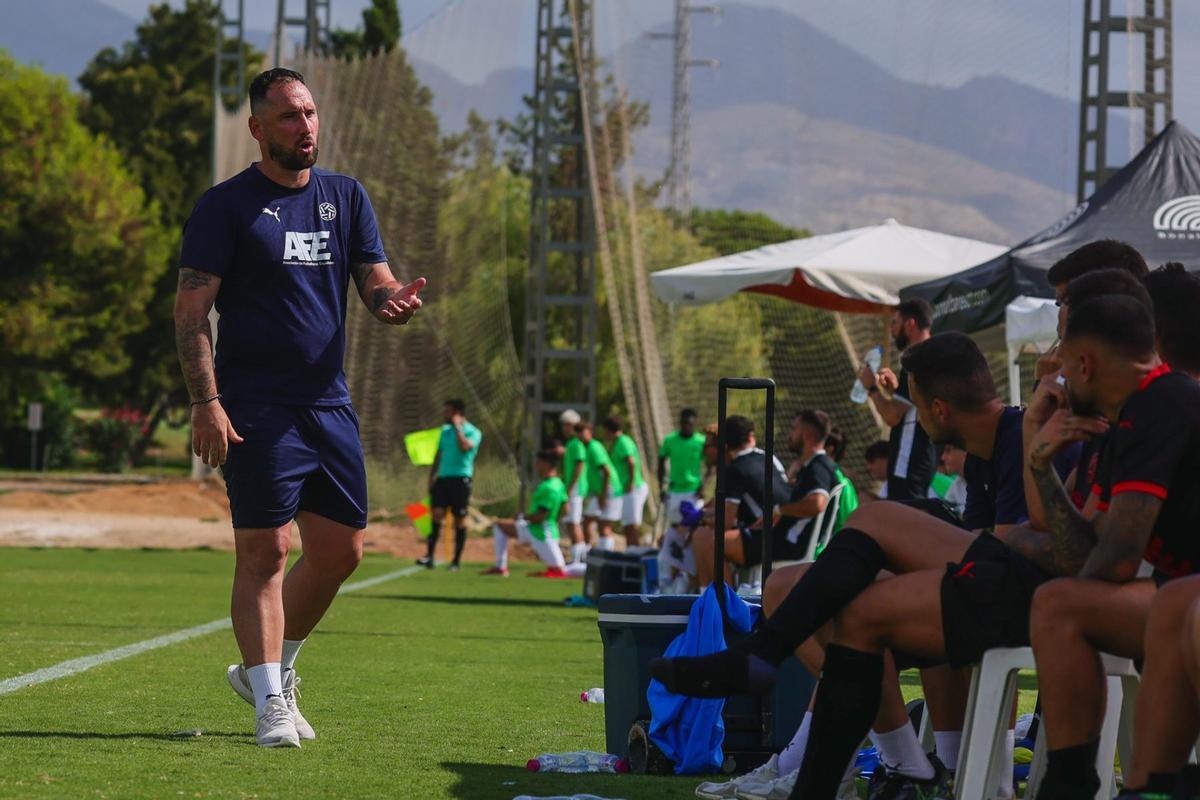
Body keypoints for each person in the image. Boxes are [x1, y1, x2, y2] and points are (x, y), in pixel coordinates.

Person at [654, 332, 1060, 797]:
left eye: (916, 407)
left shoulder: (1020, 435)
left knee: (871, 536)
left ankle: (905, 764)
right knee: (790, 586)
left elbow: (1007, 551)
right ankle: (912, 765)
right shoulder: (990, 452)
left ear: (939, 410)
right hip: (993, 589)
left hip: (1025, 597)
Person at [175, 68, 425, 747]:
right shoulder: (225, 206)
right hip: (254, 406)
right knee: (265, 552)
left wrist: (391, 302)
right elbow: (192, 310)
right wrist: (207, 403)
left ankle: (271, 672)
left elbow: (375, 280)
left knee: (341, 552)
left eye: (310, 112)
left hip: (328, 404)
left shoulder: (345, 197)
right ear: (258, 129)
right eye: (288, 116)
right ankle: (269, 705)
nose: (304, 126)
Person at [1027, 270, 1200, 799]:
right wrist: (1040, 467)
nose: (1057, 379)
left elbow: (1117, 557)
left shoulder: (1163, 403)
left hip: (1185, 598)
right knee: (1073, 599)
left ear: (1085, 363)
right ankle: (1136, 786)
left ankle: (1072, 787)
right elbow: (1089, 548)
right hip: (1179, 596)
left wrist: (1041, 558)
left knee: (1059, 603)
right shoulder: (1125, 420)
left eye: (1062, 363)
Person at [690, 415, 793, 587]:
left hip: (772, 539)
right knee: (706, 536)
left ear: (725, 445)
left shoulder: (733, 470)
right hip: (790, 531)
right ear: (751, 437)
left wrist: (701, 519)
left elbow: (726, 521)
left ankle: (723, 605)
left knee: (706, 541)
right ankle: (710, 596)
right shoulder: (768, 457)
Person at [857, 299, 938, 502]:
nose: (892, 330)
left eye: (894, 323)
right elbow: (915, 405)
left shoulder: (916, 359)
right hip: (922, 458)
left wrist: (872, 387)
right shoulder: (934, 354)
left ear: (910, 324)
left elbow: (893, 417)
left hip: (910, 460)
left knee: (905, 522)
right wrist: (895, 390)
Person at [483, 448, 569, 578]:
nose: (536, 465)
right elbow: (565, 509)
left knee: (560, 570)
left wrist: (522, 516)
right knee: (499, 526)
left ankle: (596, 569)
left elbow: (539, 517)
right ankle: (500, 567)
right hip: (538, 528)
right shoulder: (558, 483)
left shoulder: (549, 487)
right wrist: (551, 520)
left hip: (541, 532)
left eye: (538, 462)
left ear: (546, 464)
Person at [420, 399, 482, 571]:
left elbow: (465, 448)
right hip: (443, 479)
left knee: (459, 520)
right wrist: (431, 477)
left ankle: (456, 561)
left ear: (457, 413)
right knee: (436, 514)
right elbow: (438, 455)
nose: (444, 414)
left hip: (461, 479)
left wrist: (458, 428)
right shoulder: (444, 431)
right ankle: (430, 556)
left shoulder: (473, 432)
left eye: (448, 411)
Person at [657, 409, 707, 592]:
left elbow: (712, 463)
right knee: (675, 529)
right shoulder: (670, 440)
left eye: (690, 423)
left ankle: (688, 574)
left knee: (693, 530)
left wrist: (705, 483)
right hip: (675, 490)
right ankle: (673, 575)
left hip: (693, 492)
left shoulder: (701, 441)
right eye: (684, 423)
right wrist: (661, 486)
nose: (687, 426)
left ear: (694, 423)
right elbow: (661, 460)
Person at [602, 416, 649, 547]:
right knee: (627, 525)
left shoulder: (623, 441)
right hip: (627, 489)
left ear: (609, 430)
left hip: (633, 489)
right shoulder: (617, 442)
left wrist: (630, 482)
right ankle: (631, 552)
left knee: (631, 525)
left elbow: (631, 462)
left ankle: (634, 555)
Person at [579, 421, 622, 548]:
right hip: (599, 491)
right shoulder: (584, 447)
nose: (580, 434)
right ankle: (587, 554)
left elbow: (606, 471)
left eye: (583, 431)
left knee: (604, 525)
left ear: (590, 432)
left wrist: (603, 494)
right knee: (587, 520)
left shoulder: (594, 447)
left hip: (609, 489)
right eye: (578, 432)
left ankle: (606, 557)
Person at [558, 409, 589, 564]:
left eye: (565, 425)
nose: (563, 428)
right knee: (572, 522)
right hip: (573, 488)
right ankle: (578, 557)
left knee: (573, 522)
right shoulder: (571, 443)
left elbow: (580, 465)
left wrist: (569, 488)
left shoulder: (576, 443)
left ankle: (578, 560)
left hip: (576, 489)